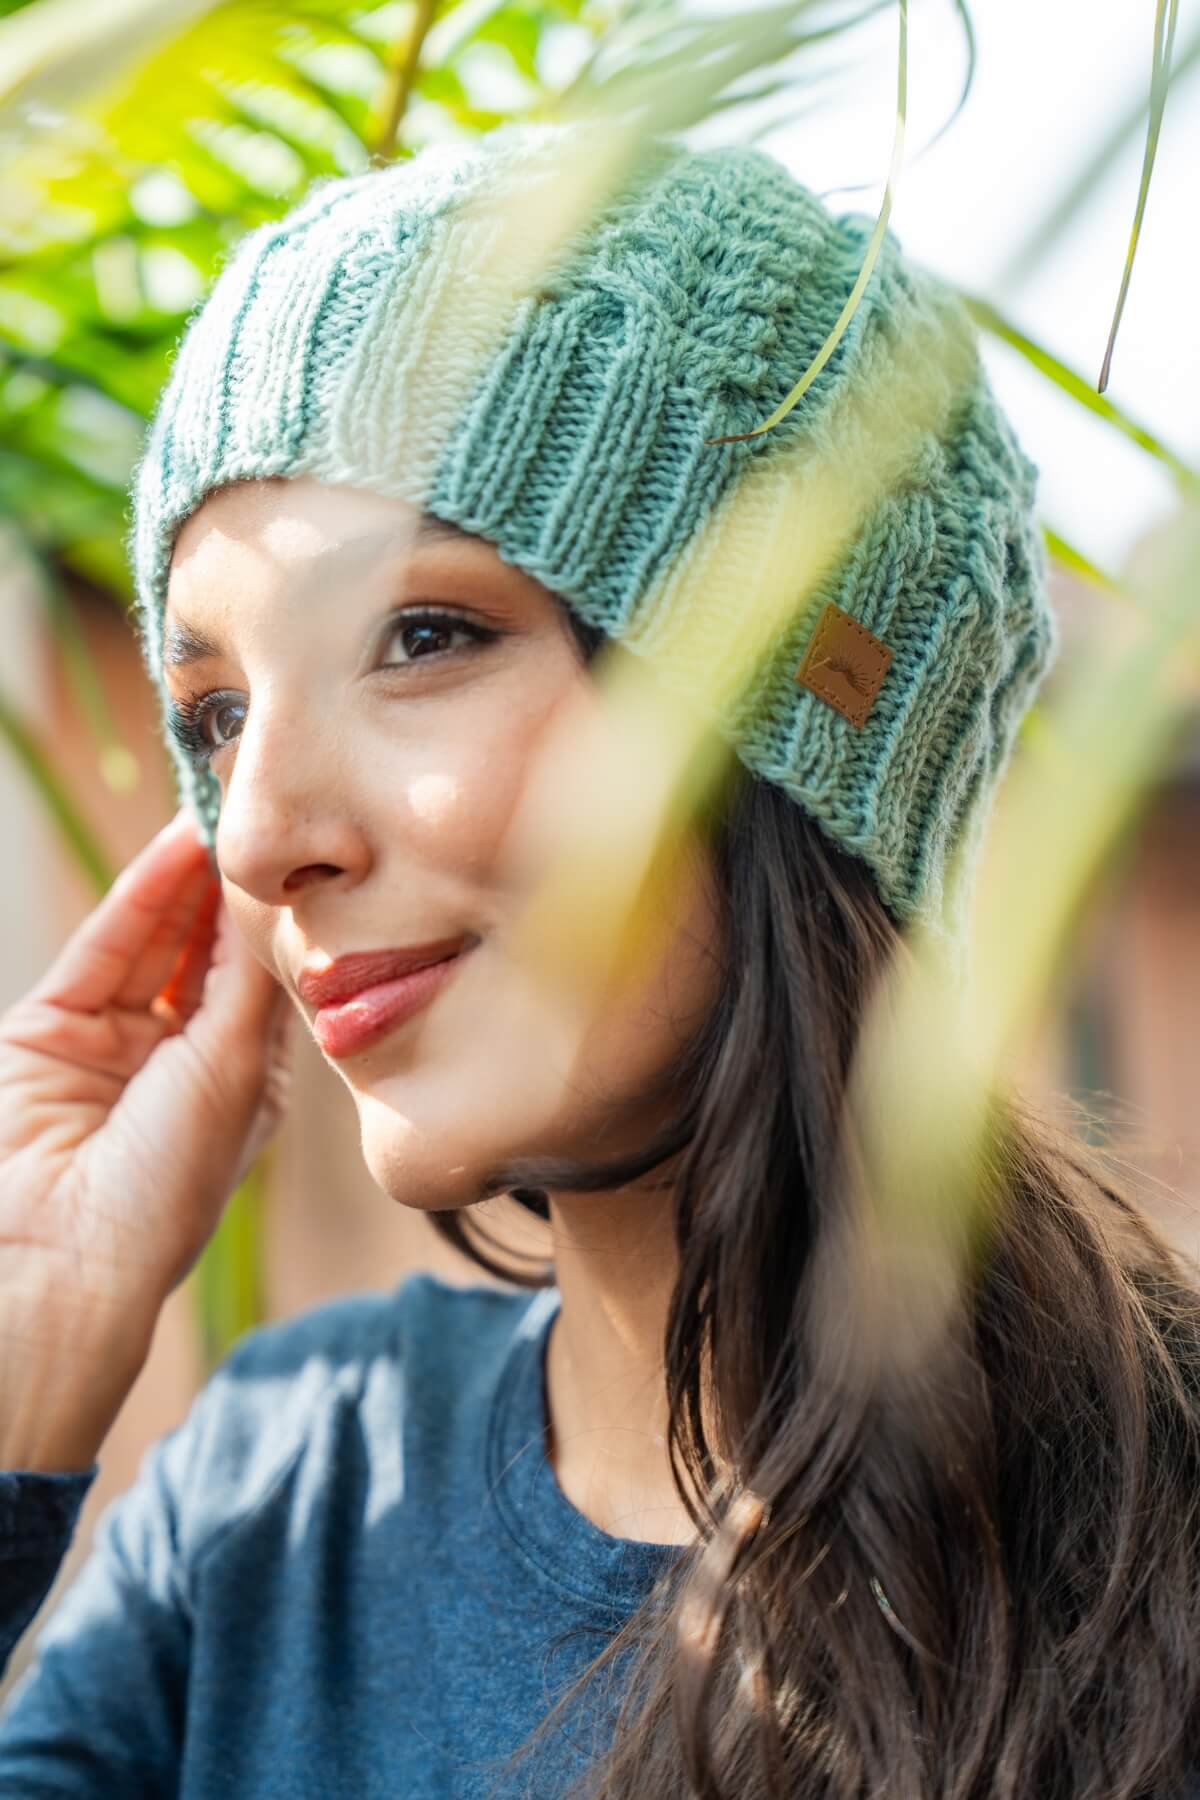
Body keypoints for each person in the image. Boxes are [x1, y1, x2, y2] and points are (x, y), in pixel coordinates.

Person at [1, 123, 1198, 1799]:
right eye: (218, 710)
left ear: (797, 720)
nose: (257, 830)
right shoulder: (271, 1506)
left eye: (422, 635)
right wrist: (29, 1354)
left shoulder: (1166, 1535)